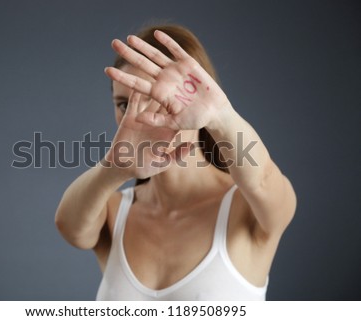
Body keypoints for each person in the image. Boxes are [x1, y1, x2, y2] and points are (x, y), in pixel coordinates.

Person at [55, 24, 296, 300]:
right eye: (124, 105)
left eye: (162, 101)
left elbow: (263, 179)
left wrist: (221, 116)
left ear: (197, 102)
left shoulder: (246, 208)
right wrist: (114, 166)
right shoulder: (113, 211)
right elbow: (69, 228)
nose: (142, 119)